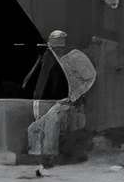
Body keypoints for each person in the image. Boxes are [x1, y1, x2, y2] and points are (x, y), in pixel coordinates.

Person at [24, 30, 96, 170]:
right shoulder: (52, 58)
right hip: (56, 101)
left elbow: (90, 77)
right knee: (33, 128)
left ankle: (49, 157)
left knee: (52, 121)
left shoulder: (75, 57)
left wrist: (75, 96)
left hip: (70, 101)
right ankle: (35, 156)